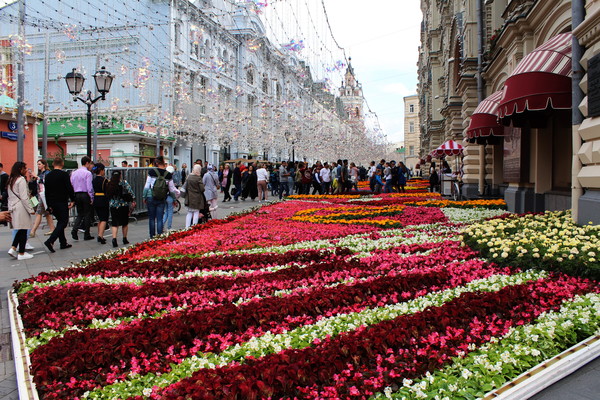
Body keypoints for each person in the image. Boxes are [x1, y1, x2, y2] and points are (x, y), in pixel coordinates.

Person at [43, 157, 75, 253]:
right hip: (61, 201)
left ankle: (63, 243)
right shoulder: (64, 175)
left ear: (53, 164)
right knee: (63, 222)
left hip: (52, 202)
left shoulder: (48, 176)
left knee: (60, 221)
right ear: (62, 164)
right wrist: (73, 200)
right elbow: (69, 188)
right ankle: (50, 240)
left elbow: (46, 192)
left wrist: (48, 205)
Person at [143, 156, 180, 238]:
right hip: (162, 197)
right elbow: (171, 189)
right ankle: (159, 236)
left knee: (152, 218)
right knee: (160, 218)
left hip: (151, 196)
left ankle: (151, 236)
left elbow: (147, 185)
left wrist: (144, 196)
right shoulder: (168, 174)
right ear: (164, 163)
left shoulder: (152, 172)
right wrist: (174, 199)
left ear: (156, 163)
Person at [7, 162, 35, 260]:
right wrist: (30, 209)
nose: (26, 170)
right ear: (20, 169)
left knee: (20, 228)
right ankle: (22, 253)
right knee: (24, 229)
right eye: (24, 168)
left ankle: (13, 248)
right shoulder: (21, 179)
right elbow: (24, 197)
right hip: (21, 206)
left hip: (13, 206)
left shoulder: (11, 179)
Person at [106, 170, 135, 247]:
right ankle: (124, 238)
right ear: (120, 176)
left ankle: (114, 239)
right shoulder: (124, 183)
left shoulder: (110, 184)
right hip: (123, 205)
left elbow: (107, 195)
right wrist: (132, 200)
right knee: (124, 223)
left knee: (115, 223)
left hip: (113, 205)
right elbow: (131, 193)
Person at [70, 156, 94, 241]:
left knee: (80, 213)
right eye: (90, 163)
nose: (91, 165)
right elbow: (89, 187)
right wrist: (91, 197)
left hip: (77, 194)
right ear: (87, 163)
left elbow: (72, 184)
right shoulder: (88, 173)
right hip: (85, 194)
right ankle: (87, 233)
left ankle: (74, 229)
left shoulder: (74, 172)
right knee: (87, 214)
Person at [30, 159, 56, 238]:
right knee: (47, 213)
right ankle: (52, 228)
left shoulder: (47, 173)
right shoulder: (41, 173)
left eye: (39, 164)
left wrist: (37, 177)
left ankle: (33, 230)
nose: (38, 166)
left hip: (44, 195)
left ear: (44, 164)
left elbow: (46, 182)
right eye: (37, 164)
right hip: (40, 195)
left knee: (39, 213)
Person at [91, 163, 110, 244]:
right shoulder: (104, 180)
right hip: (103, 199)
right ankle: (100, 236)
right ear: (101, 170)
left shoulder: (94, 180)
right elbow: (107, 190)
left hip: (96, 199)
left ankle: (100, 234)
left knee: (100, 218)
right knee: (104, 219)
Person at [162, 165, 176, 231]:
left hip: (163, 196)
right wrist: (175, 199)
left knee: (166, 212)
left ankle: (161, 225)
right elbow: (172, 190)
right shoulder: (170, 178)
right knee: (170, 212)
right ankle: (169, 227)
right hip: (169, 196)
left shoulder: (162, 177)